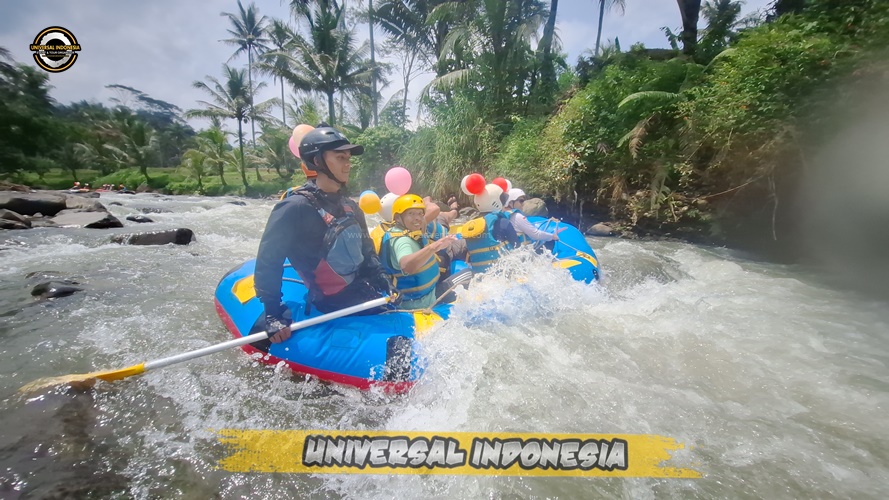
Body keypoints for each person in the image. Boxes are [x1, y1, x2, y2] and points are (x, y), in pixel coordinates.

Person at [254, 124, 395, 344]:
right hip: (328, 303)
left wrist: (381, 278)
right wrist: (272, 313)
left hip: (362, 295)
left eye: (348, 158)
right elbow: (269, 261)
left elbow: (367, 251)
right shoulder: (294, 208)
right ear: (317, 161)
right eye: (340, 157)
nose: (348, 164)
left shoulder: (351, 207)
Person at [378, 194, 458, 310]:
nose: (417, 218)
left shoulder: (405, 230)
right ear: (397, 218)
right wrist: (434, 247)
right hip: (421, 302)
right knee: (466, 274)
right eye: (411, 213)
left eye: (420, 214)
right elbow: (406, 266)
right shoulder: (402, 241)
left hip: (421, 295)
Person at [461, 184, 518, 272]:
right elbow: (517, 245)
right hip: (502, 272)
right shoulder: (503, 222)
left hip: (480, 274)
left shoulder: (472, 225)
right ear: (496, 202)